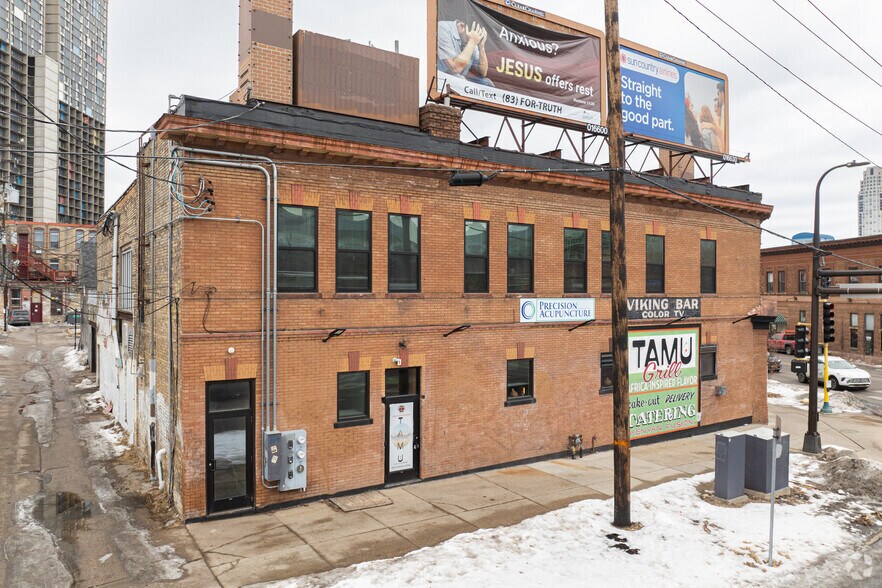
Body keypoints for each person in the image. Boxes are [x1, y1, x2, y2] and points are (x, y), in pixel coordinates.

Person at [437, 19, 493, 86]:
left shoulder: (473, 39)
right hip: (441, 77)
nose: (476, 40)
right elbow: (455, 67)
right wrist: (472, 41)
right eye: (473, 38)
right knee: (462, 82)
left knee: (487, 83)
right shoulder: (443, 28)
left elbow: (483, 72)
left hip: (460, 80)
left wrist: (481, 47)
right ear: (461, 27)